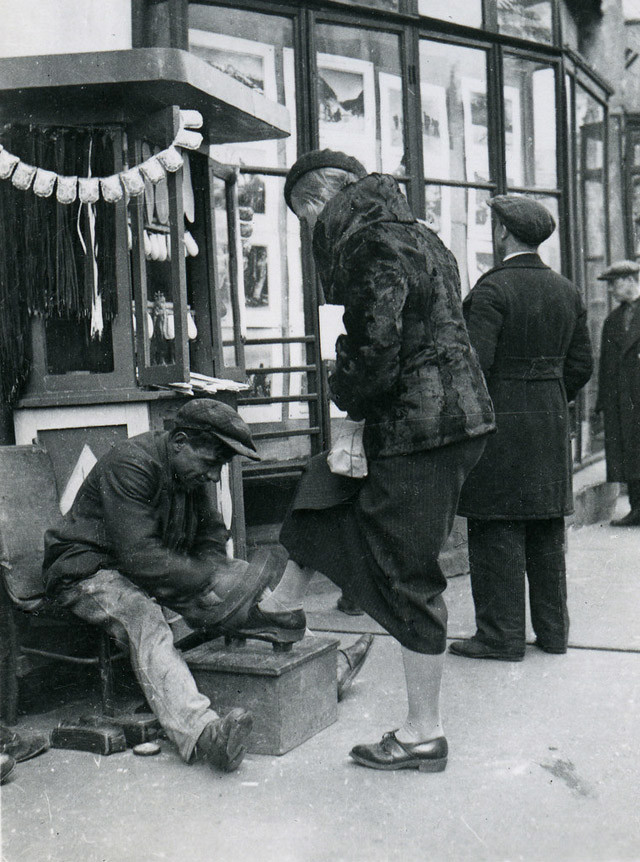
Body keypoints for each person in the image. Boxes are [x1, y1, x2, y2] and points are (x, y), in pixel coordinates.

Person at [246, 148, 495, 772]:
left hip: (422, 429)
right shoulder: (421, 235)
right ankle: (279, 605)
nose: (310, 232)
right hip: (446, 419)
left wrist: (344, 387)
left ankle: (422, 734)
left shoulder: (366, 244)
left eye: (305, 218)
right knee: (325, 485)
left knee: (406, 572)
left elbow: (377, 350)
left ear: (315, 201)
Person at [43, 399, 268, 773]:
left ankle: (321, 666)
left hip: (134, 570)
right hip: (84, 571)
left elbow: (211, 532)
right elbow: (140, 556)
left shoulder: (188, 471)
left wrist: (222, 573)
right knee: (143, 617)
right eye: (211, 464)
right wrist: (208, 580)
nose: (214, 477)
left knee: (242, 574)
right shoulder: (131, 463)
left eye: (220, 467)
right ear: (179, 441)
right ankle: (204, 734)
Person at [450, 195, 593, 662]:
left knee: (496, 525)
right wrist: (548, 397)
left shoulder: (492, 290)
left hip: (501, 419)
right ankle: (553, 633)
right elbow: (582, 365)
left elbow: (474, 365)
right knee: (546, 526)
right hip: (550, 417)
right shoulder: (568, 290)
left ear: (503, 233)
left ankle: (501, 636)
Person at [594, 260, 640, 526]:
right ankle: (637, 507)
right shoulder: (613, 320)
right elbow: (606, 364)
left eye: (614, 283)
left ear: (630, 280)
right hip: (623, 398)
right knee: (631, 453)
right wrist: (602, 401)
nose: (610, 290)